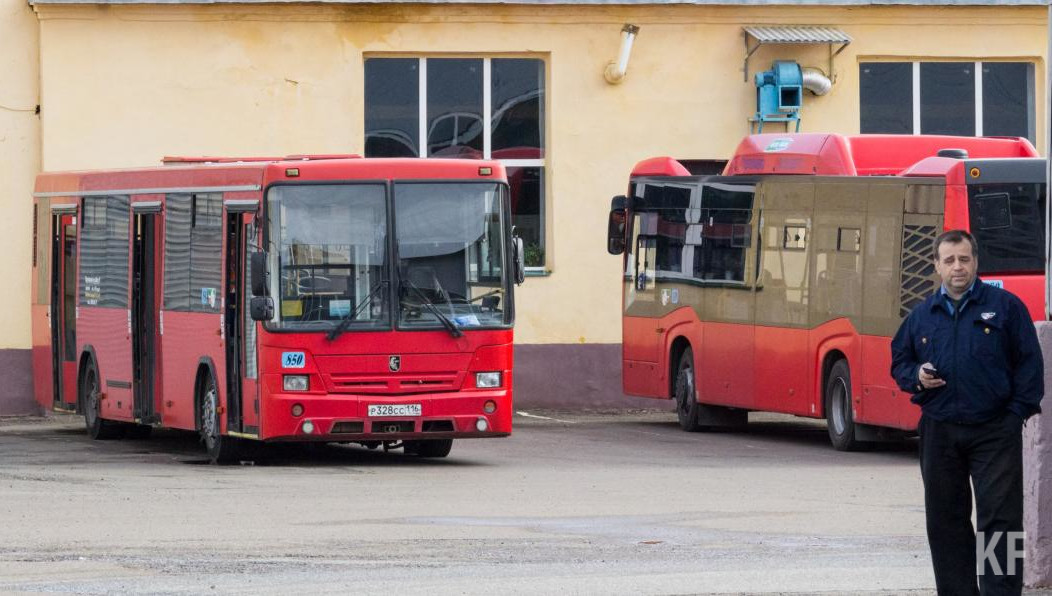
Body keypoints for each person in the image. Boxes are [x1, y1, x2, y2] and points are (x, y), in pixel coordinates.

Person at [891, 229, 1043, 596]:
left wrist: (1014, 415)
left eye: (964, 259)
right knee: (945, 520)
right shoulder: (921, 315)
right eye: (949, 260)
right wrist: (917, 377)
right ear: (937, 266)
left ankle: (1001, 592)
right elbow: (900, 363)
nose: (957, 267)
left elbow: (1030, 365)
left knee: (1001, 522)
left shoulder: (1007, 308)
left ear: (975, 261)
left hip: (995, 430)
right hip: (940, 430)